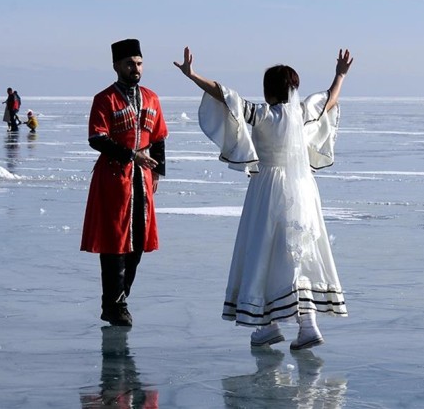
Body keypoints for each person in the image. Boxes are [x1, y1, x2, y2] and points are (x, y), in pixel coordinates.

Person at [173, 47, 352, 349]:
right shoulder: (304, 113)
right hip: (302, 188)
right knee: (299, 250)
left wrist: (192, 76)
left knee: (263, 252)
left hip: (267, 187)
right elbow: (330, 100)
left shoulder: (263, 115)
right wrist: (340, 75)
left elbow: (223, 95)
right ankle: (306, 324)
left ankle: (269, 324)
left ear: (269, 90)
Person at [81, 39, 168, 327]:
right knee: (115, 241)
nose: (136, 68)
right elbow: (97, 138)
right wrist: (132, 155)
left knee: (139, 241)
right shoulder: (105, 99)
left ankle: (119, 298)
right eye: (130, 63)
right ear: (117, 65)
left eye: (139, 63)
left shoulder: (152, 98)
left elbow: (158, 138)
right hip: (114, 179)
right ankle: (115, 304)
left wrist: (156, 172)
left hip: (142, 181)